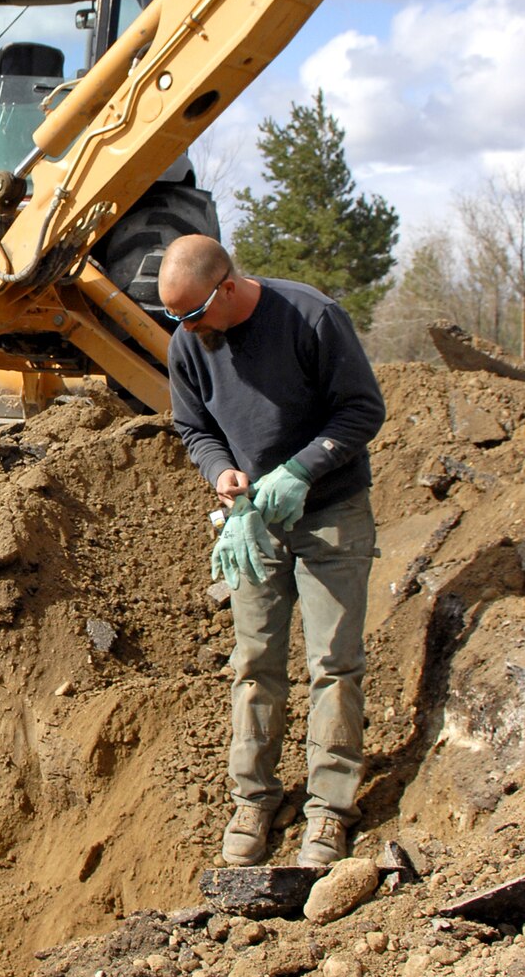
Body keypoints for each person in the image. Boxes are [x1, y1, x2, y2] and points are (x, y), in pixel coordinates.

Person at [157, 235, 386, 871]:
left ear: (226, 286)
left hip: (330, 512)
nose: (186, 328)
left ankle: (328, 811)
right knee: (255, 661)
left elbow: (363, 409)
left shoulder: (311, 317)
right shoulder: (188, 342)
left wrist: (303, 470)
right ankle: (253, 800)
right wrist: (222, 473)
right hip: (254, 521)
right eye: (174, 318)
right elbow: (194, 426)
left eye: (194, 313)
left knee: (333, 664)